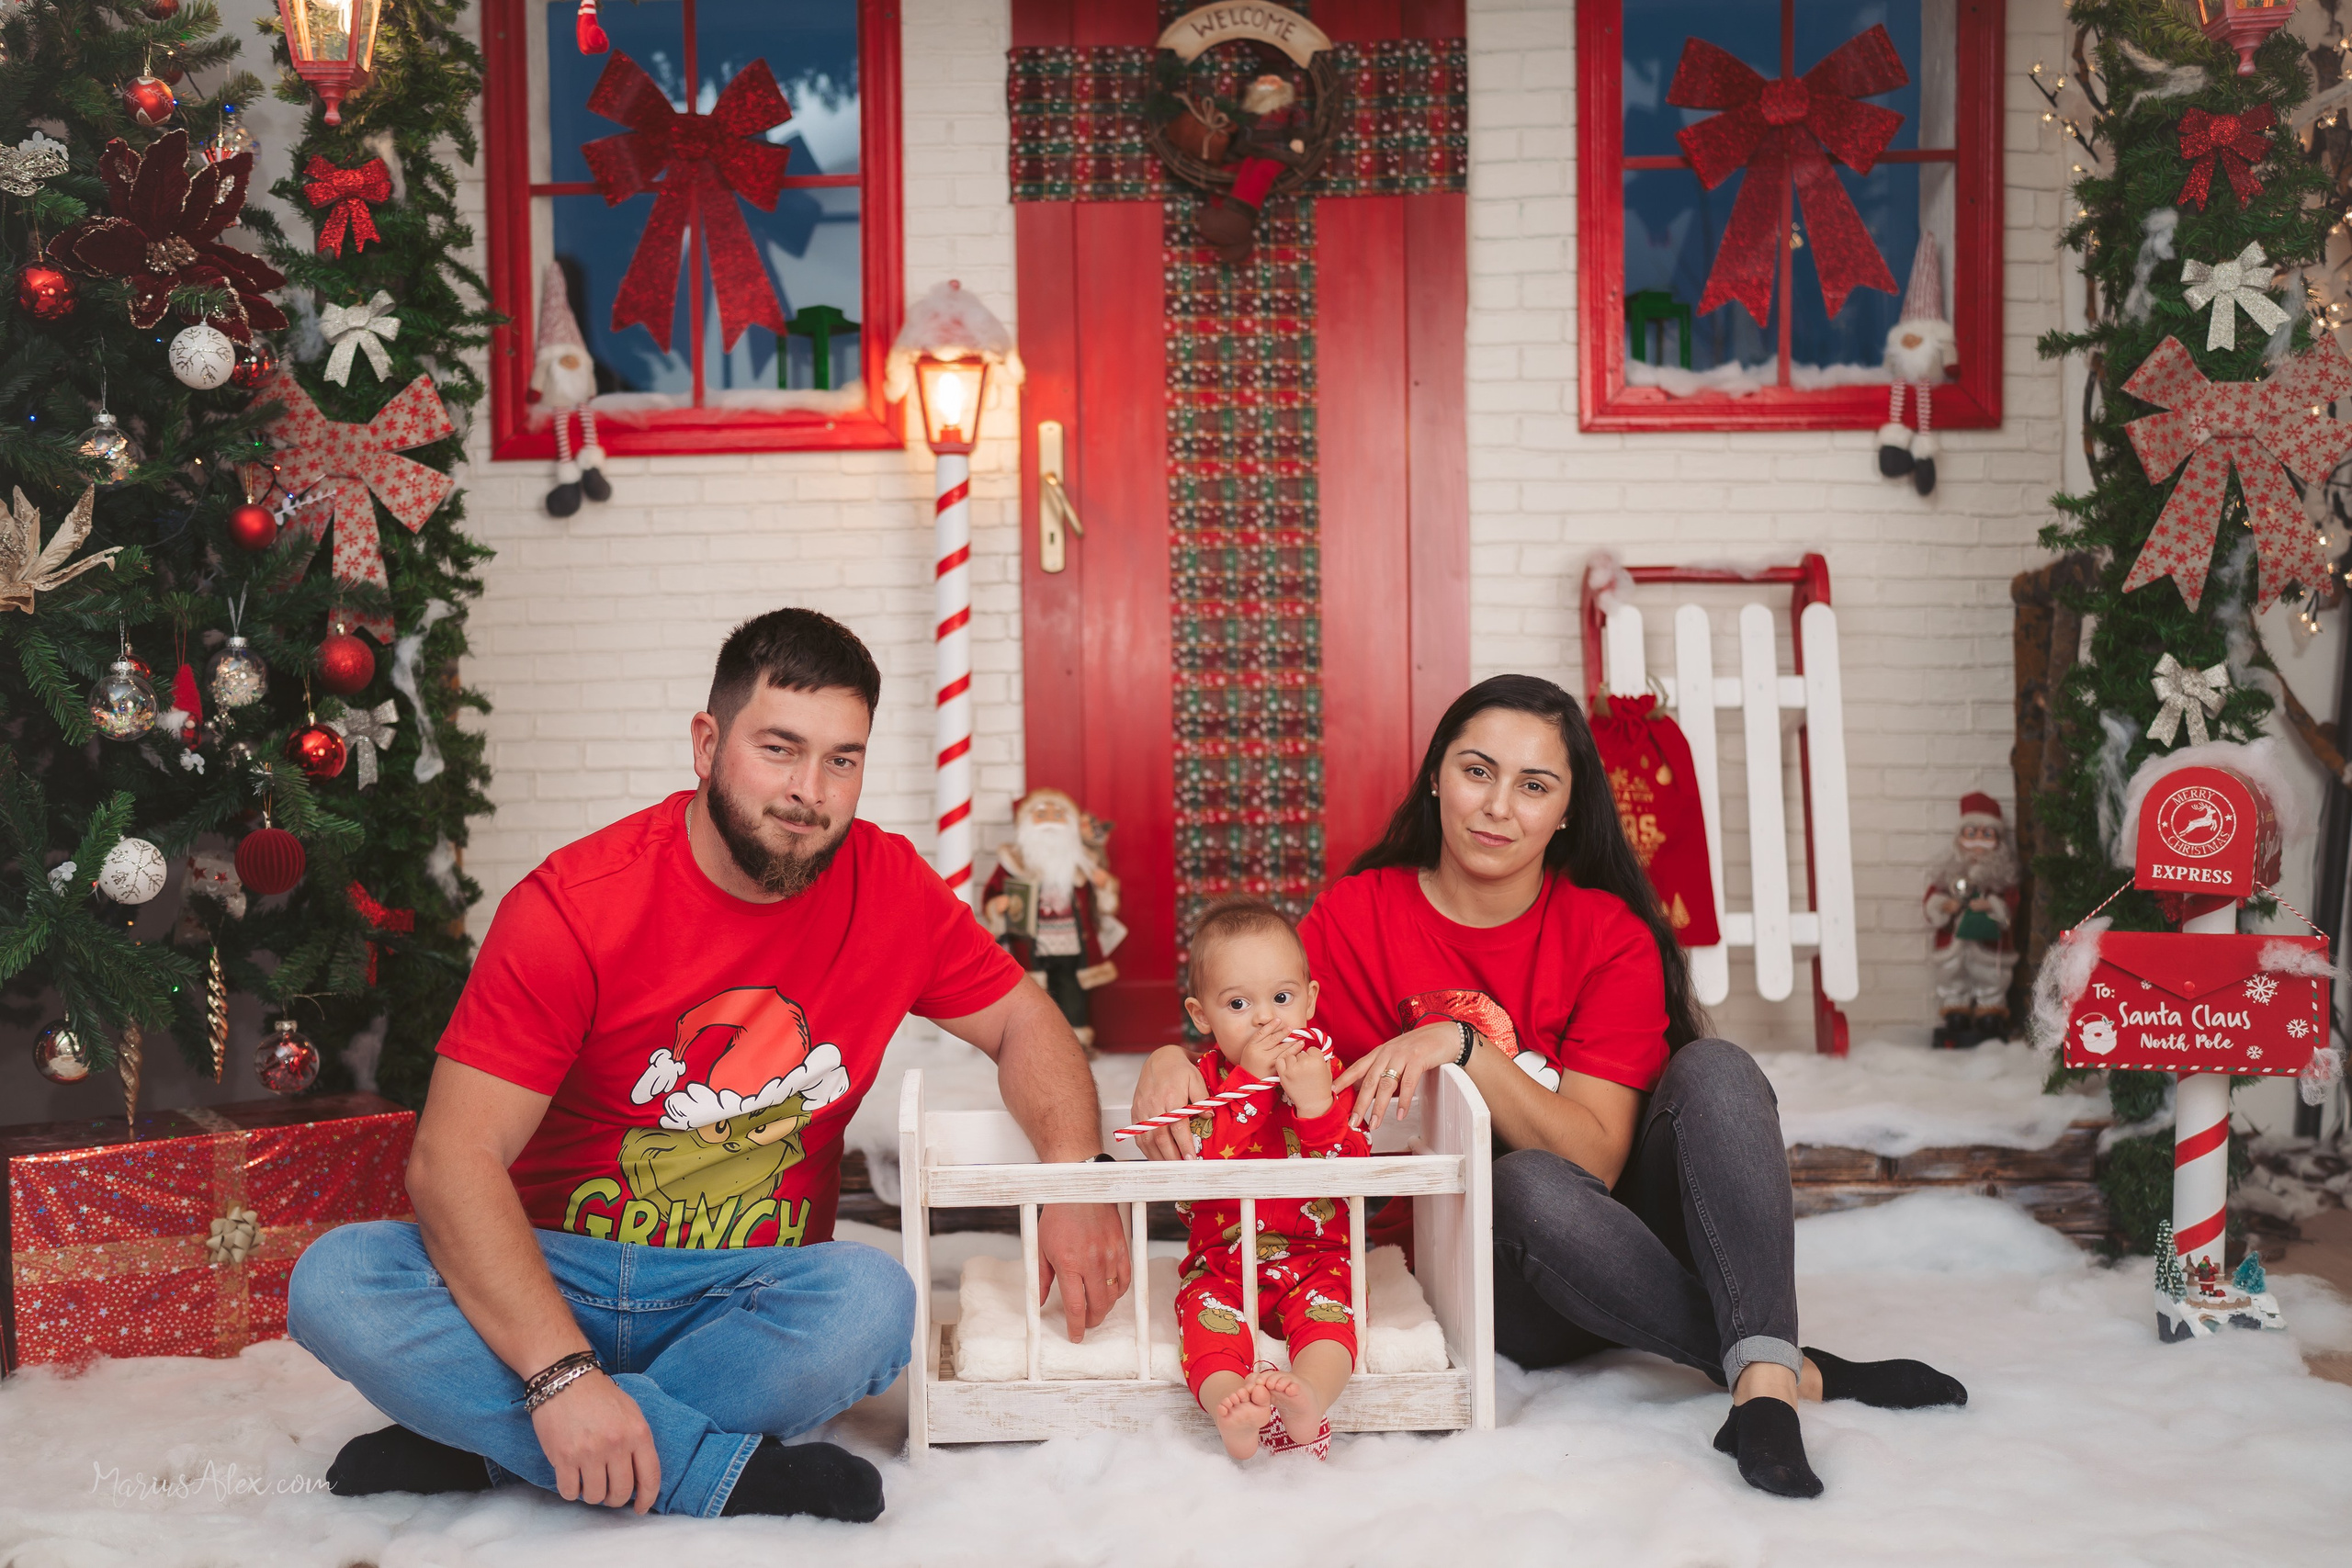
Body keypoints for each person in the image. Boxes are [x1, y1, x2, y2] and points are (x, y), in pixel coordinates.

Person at [286, 609, 1128, 1521]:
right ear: (706, 743)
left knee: (870, 1302)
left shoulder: (888, 889)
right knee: (335, 1280)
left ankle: (506, 1450)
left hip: (738, 1291)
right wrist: (561, 1372)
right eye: (779, 748)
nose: (809, 790)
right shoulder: (573, 906)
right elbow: (451, 1162)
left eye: (841, 760)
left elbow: (1023, 1021)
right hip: (547, 1269)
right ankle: (710, 1468)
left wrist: (1075, 1177)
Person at [1127, 675, 1968, 1499]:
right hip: (1494, 1279)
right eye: (1477, 770)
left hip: (1617, 1239)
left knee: (1719, 1067)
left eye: (1534, 785)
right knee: (1520, 1183)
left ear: (1567, 810)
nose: (1498, 806)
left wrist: (1464, 1046)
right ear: (1435, 777)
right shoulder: (1357, 914)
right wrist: (1174, 1054)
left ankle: (1764, 1391)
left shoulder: (1608, 933)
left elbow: (1597, 1159)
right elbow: (1260, 1025)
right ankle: (1780, 1364)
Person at [1170, 899, 1367, 1461]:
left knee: (1332, 1318)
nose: (1265, 1018)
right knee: (1203, 1322)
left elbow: (1353, 1165)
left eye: (1282, 998)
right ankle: (1230, 1405)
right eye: (1238, 1003)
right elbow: (1199, 1161)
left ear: (1310, 999)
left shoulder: (1326, 1074)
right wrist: (1249, 1086)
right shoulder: (1203, 1083)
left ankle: (1309, 1394)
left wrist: (1315, 1106)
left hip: (1317, 1256)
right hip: (1223, 1261)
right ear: (1202, 1015)